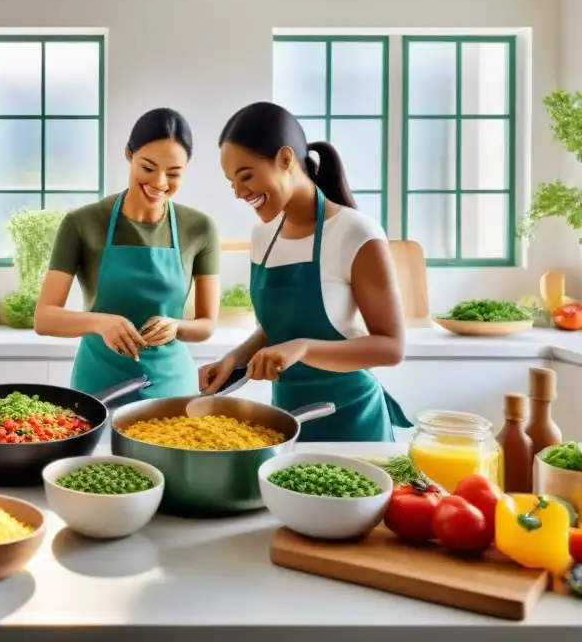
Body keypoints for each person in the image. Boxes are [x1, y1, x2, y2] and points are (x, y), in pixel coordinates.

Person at [199, 101, 409, 442]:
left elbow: (391, 347)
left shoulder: (357, 233)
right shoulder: (262, 236)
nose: (238, 193)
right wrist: (234, 359)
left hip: (353, 423)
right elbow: (279, 330)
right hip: (285, 423)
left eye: (246, 176)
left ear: (285, 159)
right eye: (231, 183)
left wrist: (305, 348)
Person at [35, 108, 220, 402]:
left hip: (172, 386)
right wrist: (99, 322)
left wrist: (177, 327)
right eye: (148, 168)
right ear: (128, 155)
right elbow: (44, 318)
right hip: (99, 385)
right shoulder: (82, 223)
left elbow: (207, 324)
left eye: (173, 174)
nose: (160, 182)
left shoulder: (200, 228)